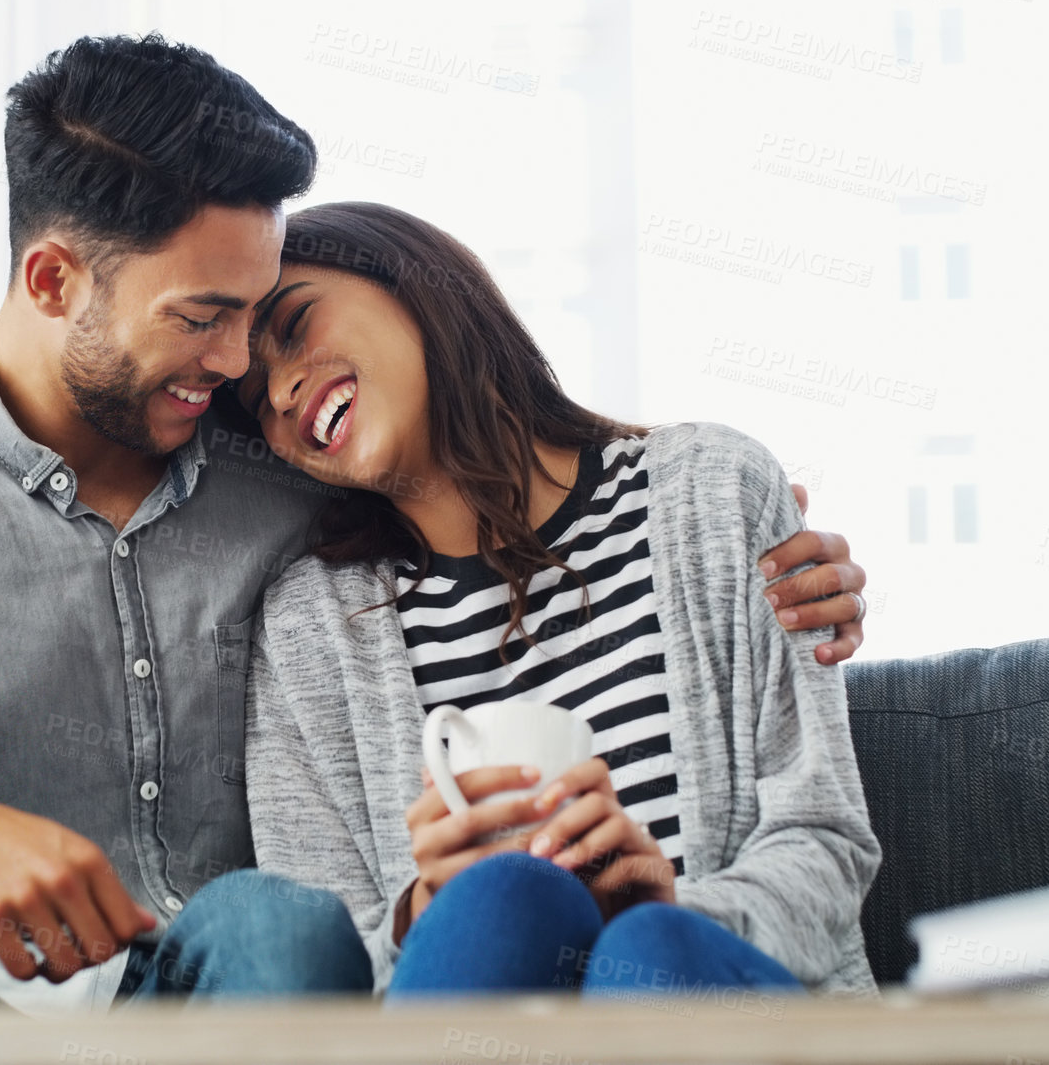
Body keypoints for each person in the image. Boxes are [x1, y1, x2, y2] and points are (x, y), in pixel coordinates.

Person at [0, 34, 869, 1013]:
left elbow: (477, 460)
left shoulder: (290, 478)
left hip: (224, 989)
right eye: (205, 321)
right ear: (51, 281)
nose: (240, 370)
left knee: (290, 923)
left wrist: (757, 530)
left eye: (265, 319)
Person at [240, 202, 881, 1001]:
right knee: (502, 898)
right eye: (252, 399)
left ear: (408, 282)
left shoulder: (714, 494)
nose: (280, 387)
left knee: (652, 948)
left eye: (295, 325)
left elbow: (824, 843)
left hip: (717, 1006)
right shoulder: (309, 633)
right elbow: (322, 979)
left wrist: (671, 909)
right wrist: (426, 908)